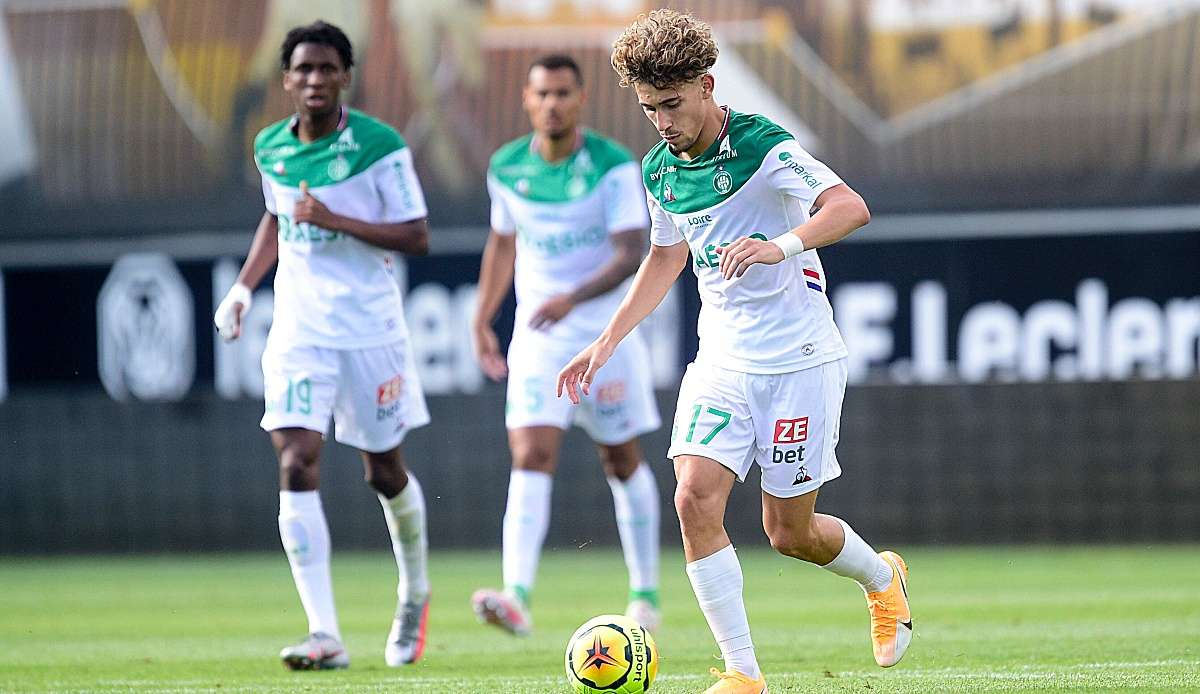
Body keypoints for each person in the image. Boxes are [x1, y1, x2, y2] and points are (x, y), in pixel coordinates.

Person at [557, 10, 913, 693]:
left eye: (673, 104)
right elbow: (664, 258)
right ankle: (744, 675)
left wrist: (778, 247)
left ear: (706, 85)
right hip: (721, 361)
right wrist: (604, 341)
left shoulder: (764, 148)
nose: (662, 121)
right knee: (693, 499)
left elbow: (850, 207)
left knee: (789, 533)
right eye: (649, 108)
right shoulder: (658, 170)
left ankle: (881, 576)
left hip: (799, 359)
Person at [212, 21, 433, 670]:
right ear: (286, 79)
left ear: (346, 77)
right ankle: (324, 633)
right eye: (302, 69)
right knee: (296, 459)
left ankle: (415, 592)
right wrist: (245, 288)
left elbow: (417, 235)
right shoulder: (270, 148)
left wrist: (336, 219)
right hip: (301, 329)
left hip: (369, 329)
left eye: (326, 68)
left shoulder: (379, 145)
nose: (314, 80)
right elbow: (278, 217)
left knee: (382, 471)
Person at [470, 55, 664, 635]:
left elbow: (632, 252)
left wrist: (572, 299)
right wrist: (482, 318)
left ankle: (645, 596)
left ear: (580, 100)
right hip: (540, 339)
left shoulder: (611, 165)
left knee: (621, 458)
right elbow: (502, 245)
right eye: (541, 94)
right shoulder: (506, 167)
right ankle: (517, 596)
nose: (551, 103)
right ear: (527, 101)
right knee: (531, 454)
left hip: (607, 335)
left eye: (562, 93)